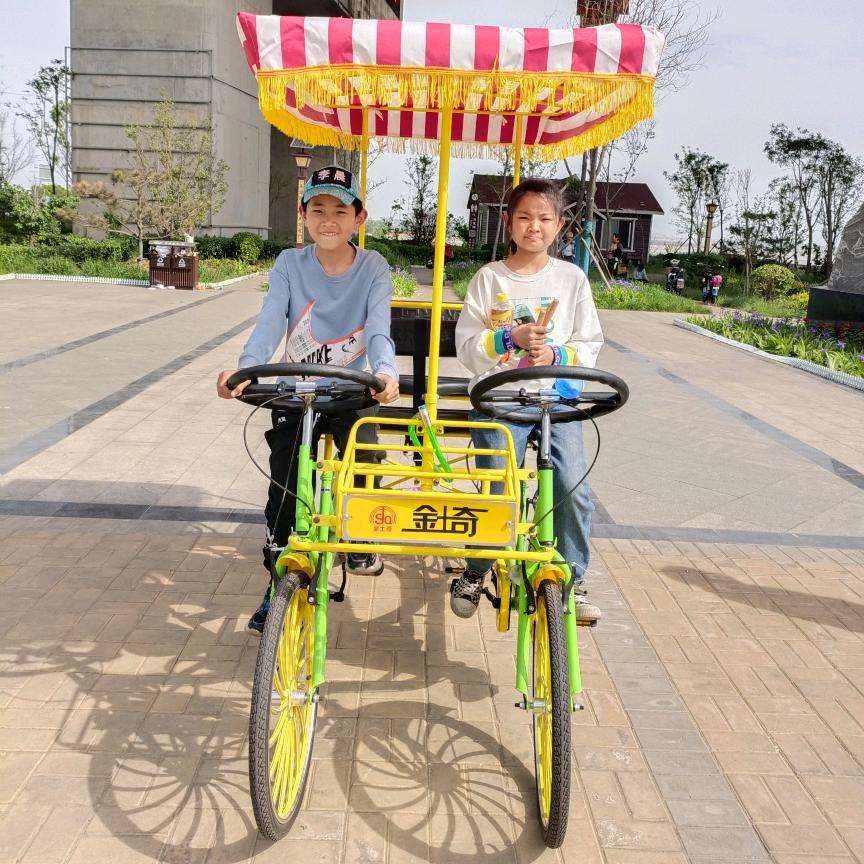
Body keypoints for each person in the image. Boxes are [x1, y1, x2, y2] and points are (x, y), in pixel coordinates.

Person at [217, 165, 400, 633]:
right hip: (296, 390)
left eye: (340, 210)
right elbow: (270, 319)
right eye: (318, 209)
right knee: (284, 484)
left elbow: (379, 326)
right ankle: (276, 580)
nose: (328, 220)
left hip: (350, 389)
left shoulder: (374, 267)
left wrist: (384, 371)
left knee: (366, 457)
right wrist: (247, 366)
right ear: (303, 214)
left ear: (359, 218)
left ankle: (359, 537)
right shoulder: (289, 264)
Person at [453, 178, 604, 623]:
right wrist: (509, 338)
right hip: (500, 398)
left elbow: (589, 342)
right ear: (508, 222)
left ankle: (572, 579)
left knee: (572, 486)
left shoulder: (572, 279)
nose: (533, 227)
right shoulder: (490, 278)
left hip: (556, 399)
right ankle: (477, 567)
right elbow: (467, 348)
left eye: (543, 218)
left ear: (558, 226)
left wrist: (555, 355)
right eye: (524, 217)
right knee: (499, 488)